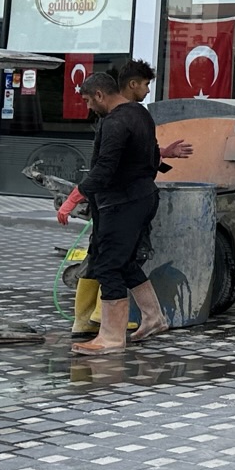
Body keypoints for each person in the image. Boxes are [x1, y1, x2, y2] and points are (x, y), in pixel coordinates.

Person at [69, 70, 171, 355]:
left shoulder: (114, 122)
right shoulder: (140, 113)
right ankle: (154, 317)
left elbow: (105, 167)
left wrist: (76, 195)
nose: (89, 107)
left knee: (108, 266)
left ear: (100, 95)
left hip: (122, 202)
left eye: (88, 100)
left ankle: (111, 337)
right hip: (143, 197)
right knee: (125, 262)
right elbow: (150, 156)